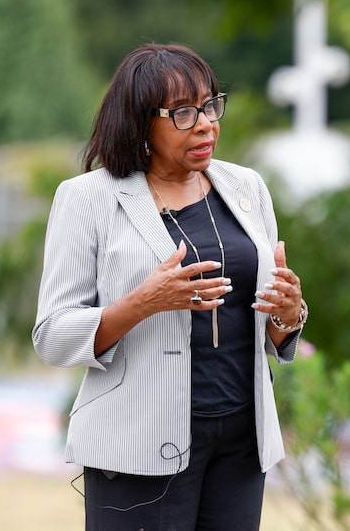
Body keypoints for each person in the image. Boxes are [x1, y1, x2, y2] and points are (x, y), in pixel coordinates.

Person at [32, 43, 307, 531]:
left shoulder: (247, 188)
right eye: (183, 112)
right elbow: (52, 335)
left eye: (210, 106)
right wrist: (144, 303)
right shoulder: (86, 199)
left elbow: (271, 330)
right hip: (137, 447)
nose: (205, 124)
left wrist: (288, 314)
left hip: (241, 444)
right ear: (140, 122)